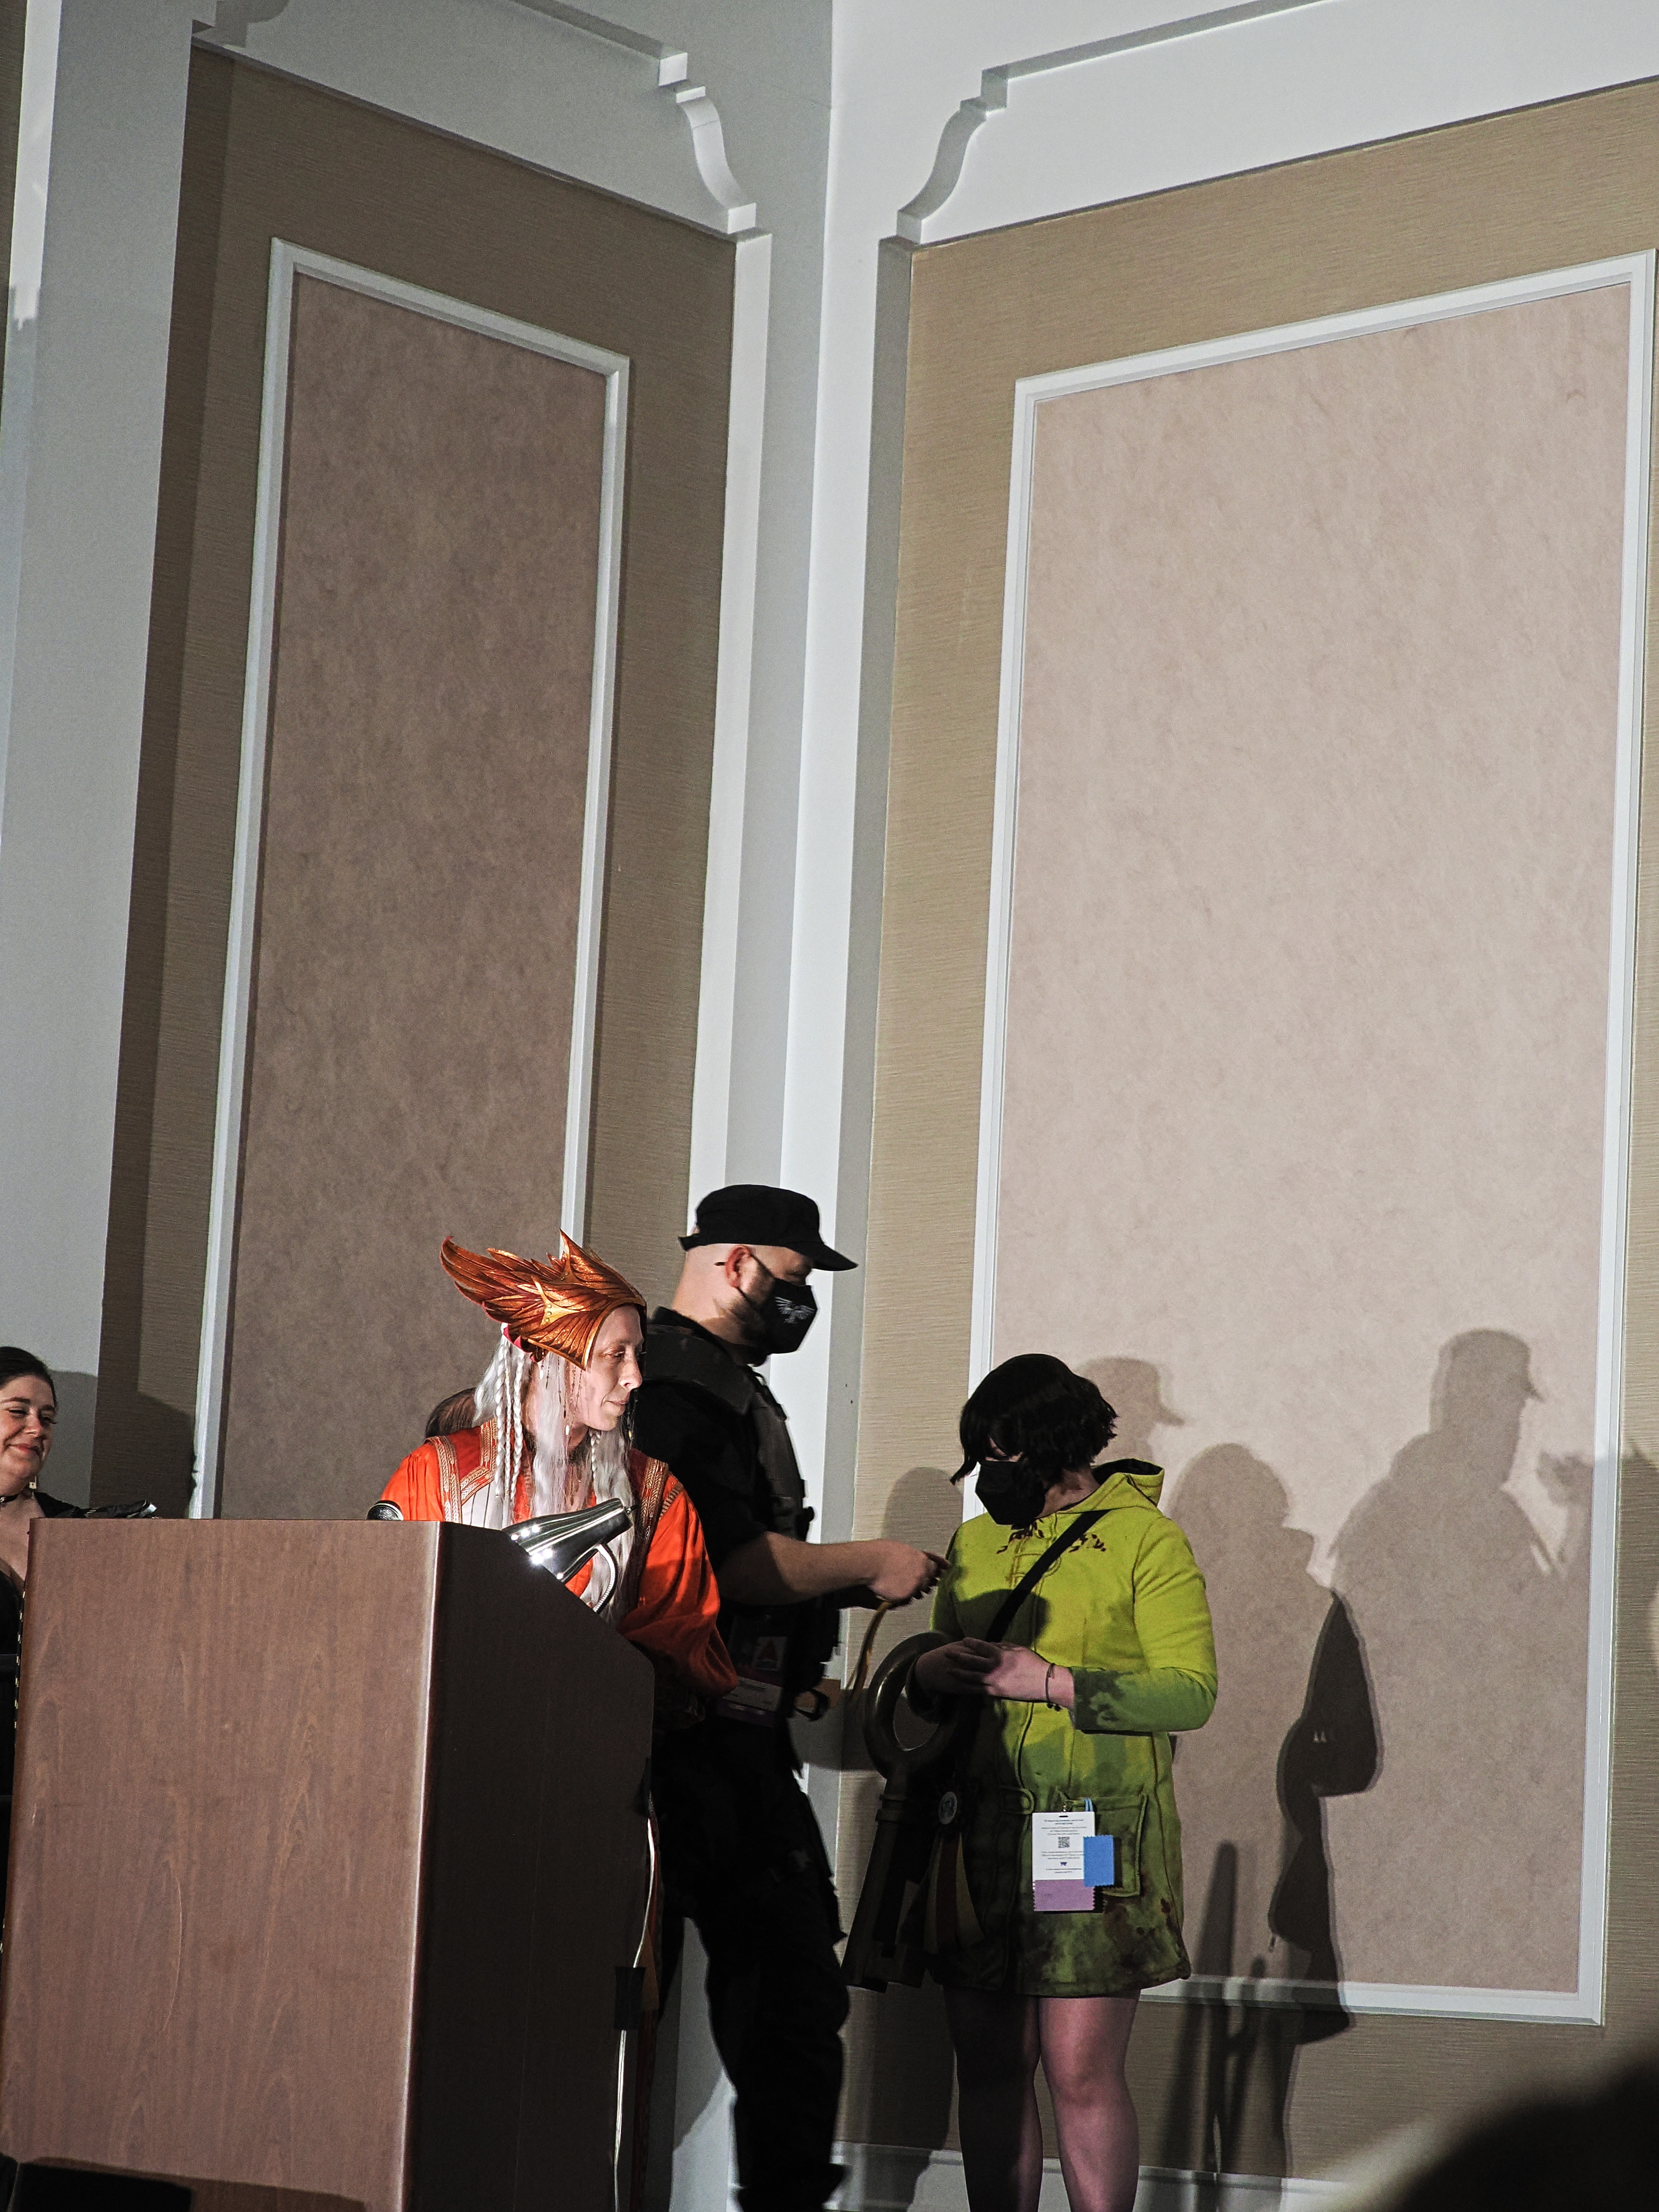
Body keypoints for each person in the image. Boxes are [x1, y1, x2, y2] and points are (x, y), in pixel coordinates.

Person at [628, 1183, 944, 2212]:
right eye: (794, 1281)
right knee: (682, 2005)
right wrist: (869, 1561)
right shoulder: (673, 1390)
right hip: (675, 1748)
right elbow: (721, 1563)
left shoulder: (730, 1388)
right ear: (734, 1264)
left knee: (793, 2004)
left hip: (743, 1745)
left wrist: (844, 1587)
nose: (802, 1304)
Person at [910, 1354, 1217, 2212]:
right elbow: (938, 1678)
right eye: (981, 1456)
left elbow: (1190, 1692)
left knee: (1080, 2069)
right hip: (978, 1827)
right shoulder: (975, 1543)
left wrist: (1051, 1682)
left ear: (1056, 1445)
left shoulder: (1144, 1539)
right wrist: (931, 1668)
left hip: (1083, 1830)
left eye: (1004, 1454)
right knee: (989, 2062)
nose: (989, 1474)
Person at [381, 1235, 736, 1714]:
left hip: (588, 1737)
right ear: (550, 1358)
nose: (635, 1377)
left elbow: (675, 1646)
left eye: (638, 1354)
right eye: (616, 1355)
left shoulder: (655, 1496)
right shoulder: (437, 1475)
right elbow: (391, 1618)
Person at [0, 1349, 86, 1930]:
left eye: (47, 1418)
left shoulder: (79, 1531)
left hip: (57, 1782)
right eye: (19, 1411)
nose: (36, 1428)